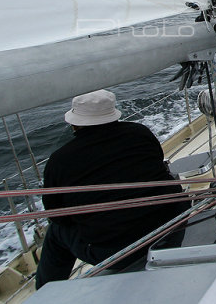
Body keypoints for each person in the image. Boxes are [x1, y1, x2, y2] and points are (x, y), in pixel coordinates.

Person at [36, 90, 188, 289]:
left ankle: (45, 292)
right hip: (173, 228)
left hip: (116, 252)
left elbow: (57, 215)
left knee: (56, 231)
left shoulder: (60, 161)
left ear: (75, 123)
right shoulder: (140, 133)